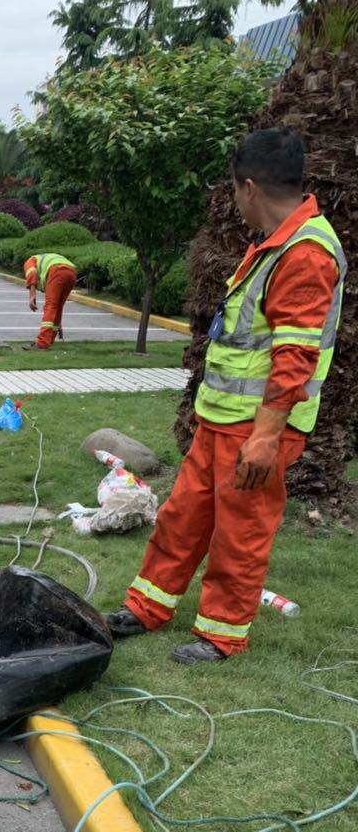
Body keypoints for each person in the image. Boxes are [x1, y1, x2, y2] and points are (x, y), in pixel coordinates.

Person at [106, 128, 346, 664]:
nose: (235, 201)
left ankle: (221, 634)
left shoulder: (305, 253)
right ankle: (147, 608)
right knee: (182, 517)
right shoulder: (277, 244)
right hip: (222, 420)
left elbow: (294, 357)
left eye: (235, 190)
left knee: (240, 534)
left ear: (251, 187)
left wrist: (266, 438)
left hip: (256, 429)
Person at [24, 251, 77, 348]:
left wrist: (32, 295)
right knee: (58, 306)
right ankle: (50, 338)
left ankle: (42, 342)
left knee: (50, 305)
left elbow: (32, 273)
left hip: (57, 270)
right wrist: (58, 325)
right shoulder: (46, 258)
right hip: (71, 272)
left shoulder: (30, 261)